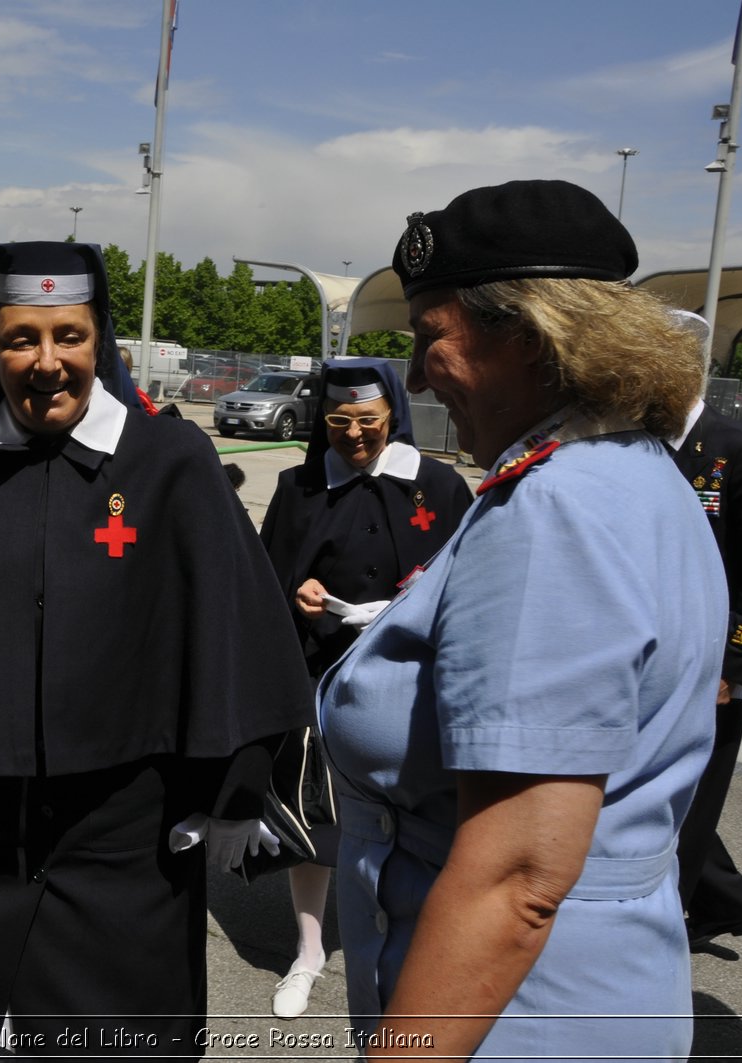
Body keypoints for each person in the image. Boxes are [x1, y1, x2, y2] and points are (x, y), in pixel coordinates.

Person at [0, 240, 313, 1053]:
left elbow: (235, 621)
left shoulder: (171, 460)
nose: (47, 362)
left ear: (100, 342)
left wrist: (240, 774)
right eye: (22, 339)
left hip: (126, 827)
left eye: (70, 337)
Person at [316, 180, 724, 1057]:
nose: (417, 376)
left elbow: (516, 880)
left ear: (534, 338)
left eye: (432, 340)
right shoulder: (629, 469)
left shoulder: (555, 510)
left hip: (516, 1015)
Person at [256, 358, 471, 1019]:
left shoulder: (435, 482)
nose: (354, 436)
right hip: (323, 672)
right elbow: (270, 576)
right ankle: (310, 948)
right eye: (340, 423)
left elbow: (470, 572)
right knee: (315, 815)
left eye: (369, 422)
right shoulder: (299, 486)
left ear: (393, 419)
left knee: (421, 818)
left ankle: (425, 945)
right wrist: (299, 595)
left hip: (413, 677)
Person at [667, 374, 742, 954]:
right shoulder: (642, 443)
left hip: (717, 659)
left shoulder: (741, 448)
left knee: (694, 792)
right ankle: (726, 900)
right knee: (671, 793)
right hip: (659, 650)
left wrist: (736, 663)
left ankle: (665, 924)